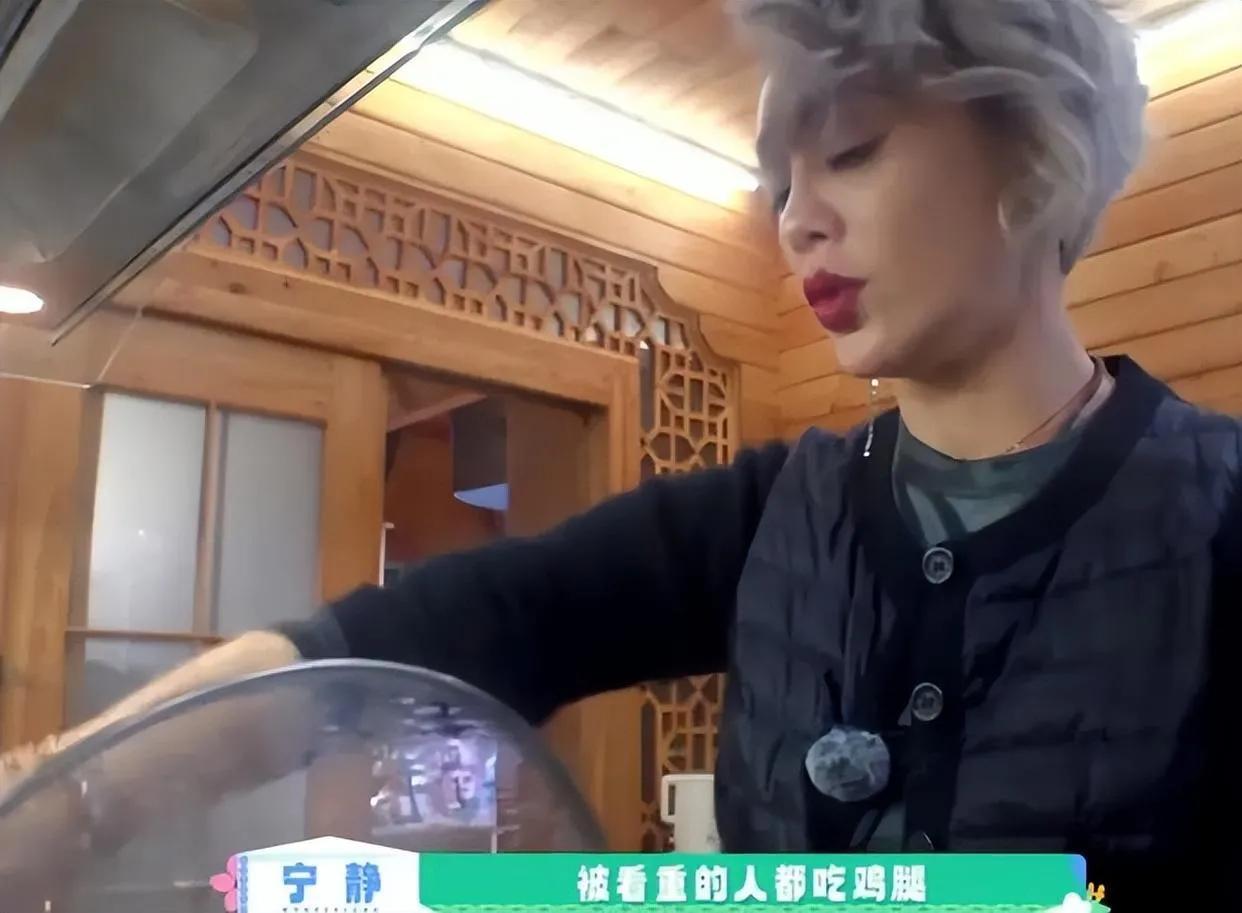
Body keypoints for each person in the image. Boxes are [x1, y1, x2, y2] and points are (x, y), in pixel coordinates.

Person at [3, 0, 1239, 906]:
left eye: (854, 150)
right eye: (780, 181)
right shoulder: (776, 514)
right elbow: (432, 628)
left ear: (1032, 145)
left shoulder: (1217, 509)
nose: (797, 220)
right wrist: (69, 795)